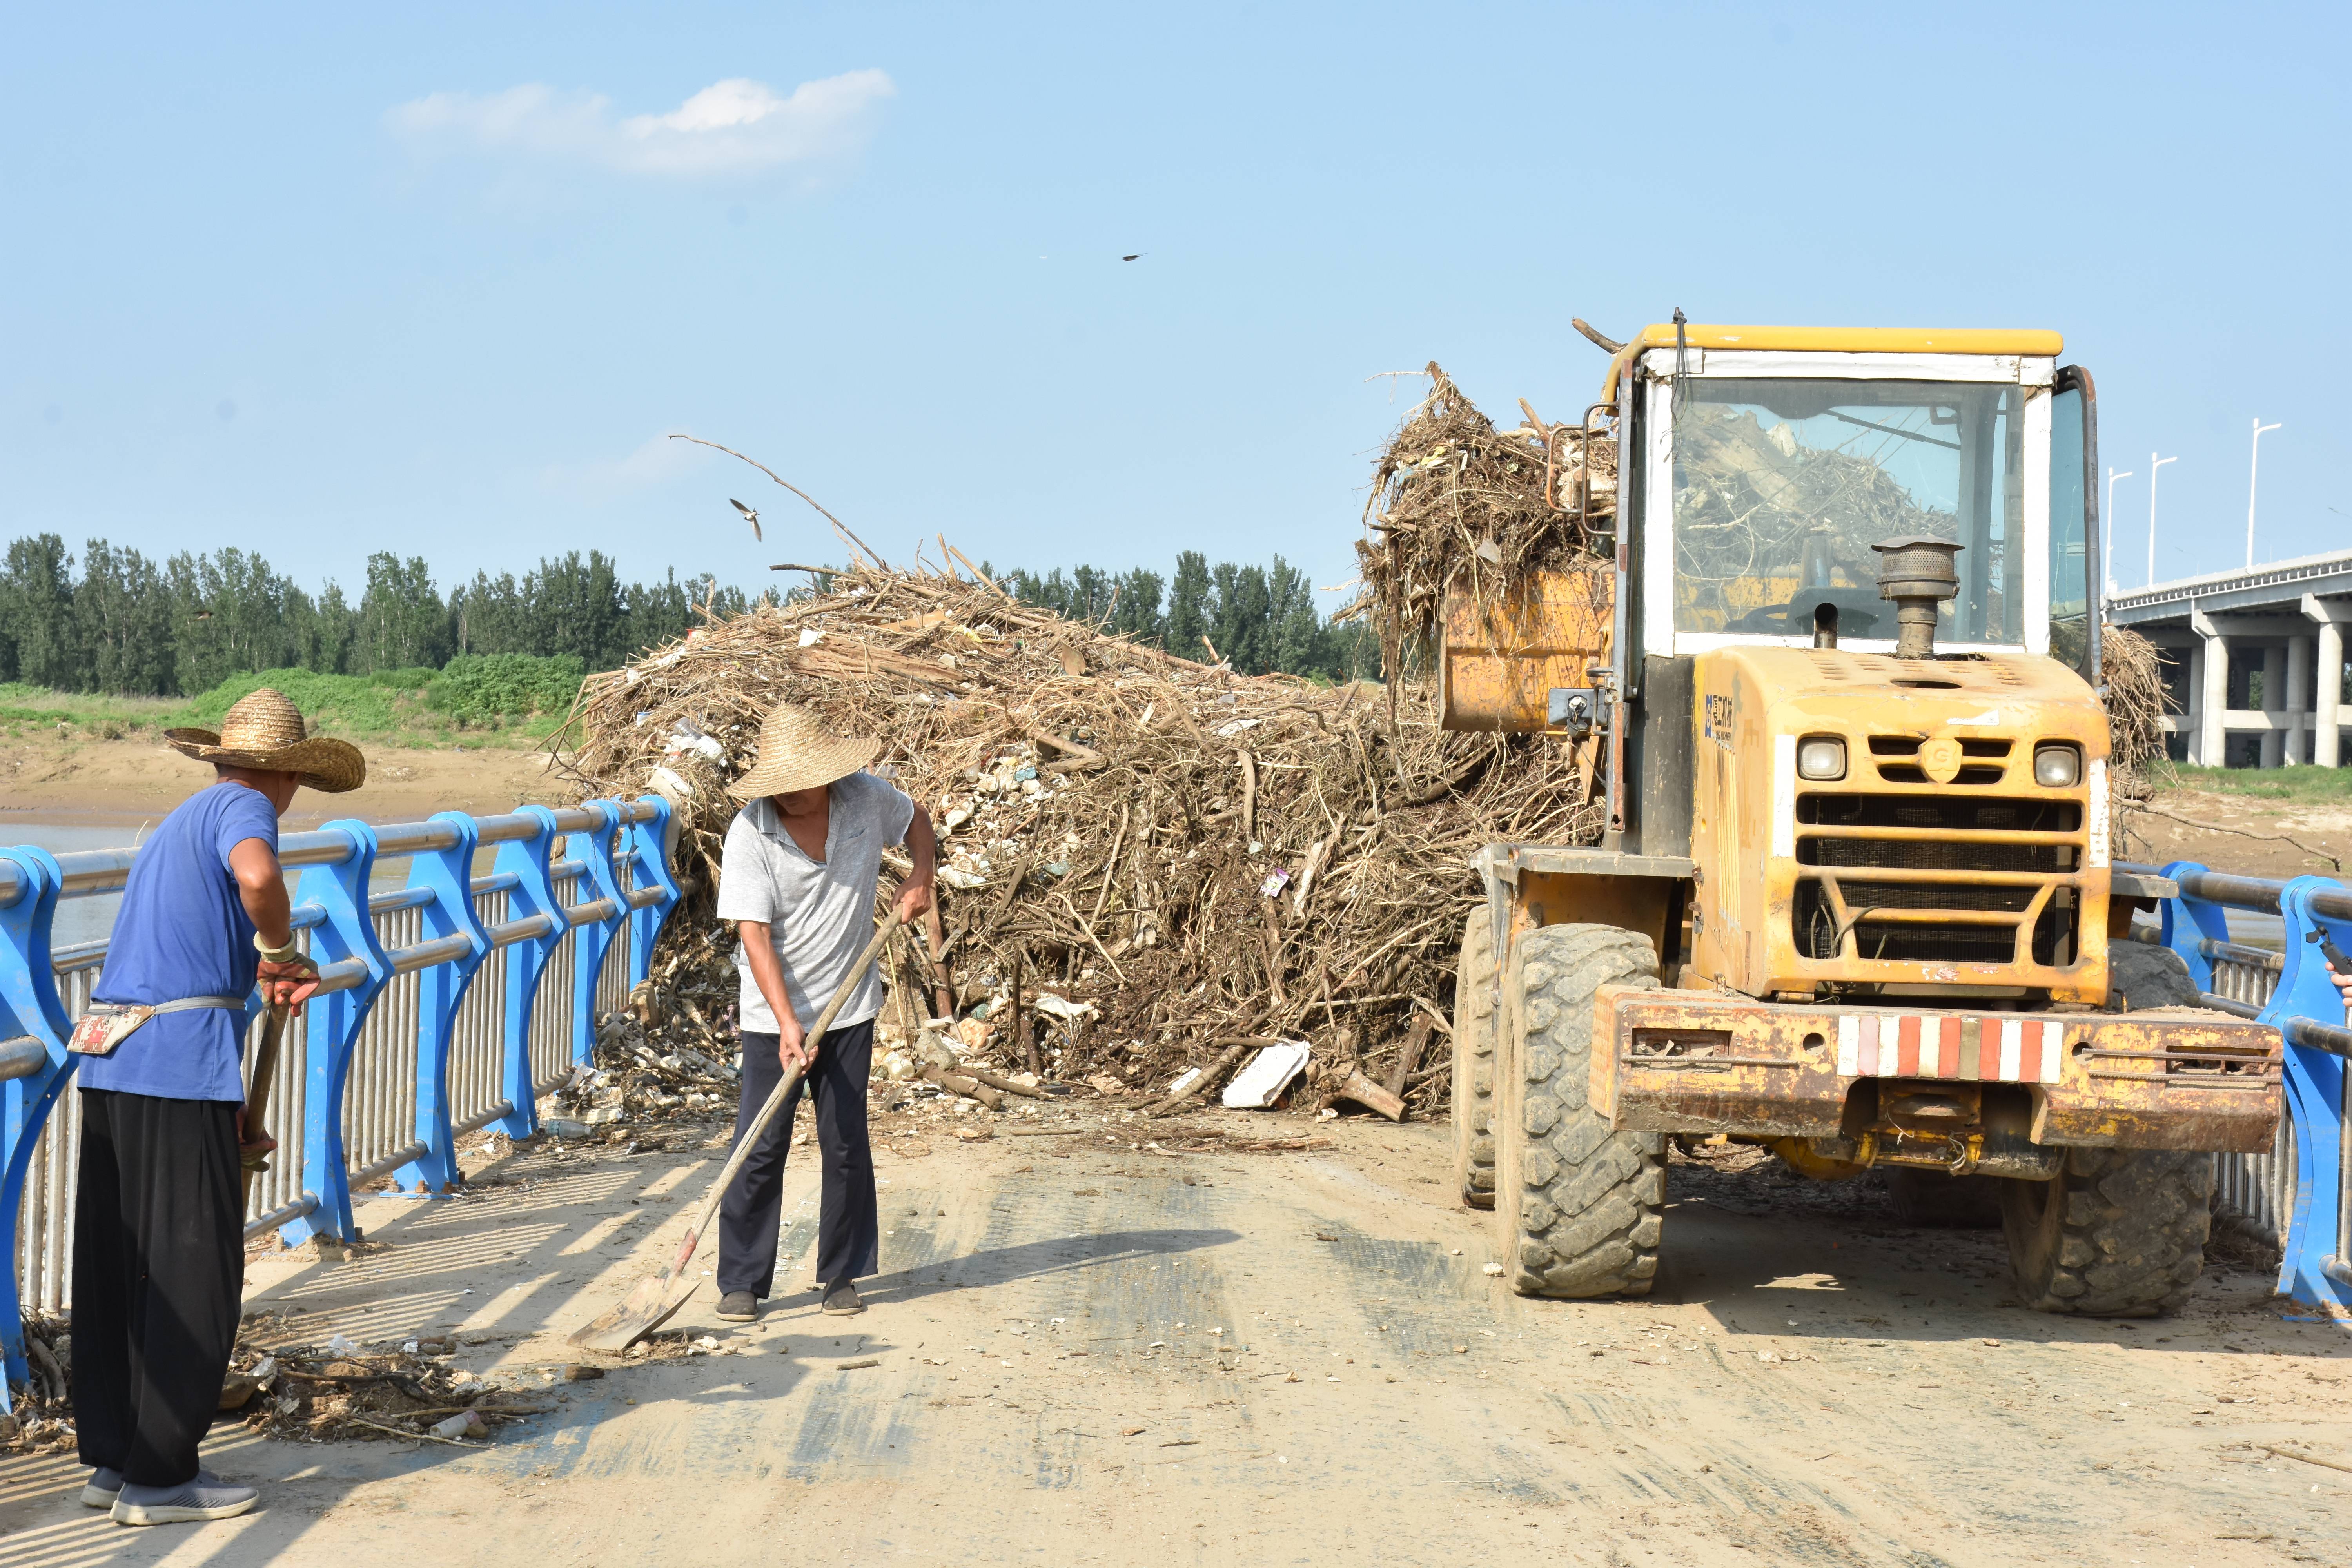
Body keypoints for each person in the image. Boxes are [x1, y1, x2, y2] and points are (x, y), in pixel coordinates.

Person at [73, 689, 363, 1526]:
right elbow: (258, 877)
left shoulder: (180, 818)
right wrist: (280, 947)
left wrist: (229, 1099)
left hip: (116, 1057)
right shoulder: (243, 807)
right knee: (193, 1270)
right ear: (287, 775)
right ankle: (163, 1478)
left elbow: (191, 952)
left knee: (120, 1266)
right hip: (172, 1064)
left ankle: (117, 1459)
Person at [713, 701, 935, 1321]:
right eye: (775, 786)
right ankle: (742, 1281)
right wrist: (787, 1022)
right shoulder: (750, 831)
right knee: (760, 1147)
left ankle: (842, 1273)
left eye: (796, 784)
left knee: (844, 1143)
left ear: (828, 774)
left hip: (850, 1005)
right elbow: (752, 934)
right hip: (771, 1015)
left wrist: (922, 873)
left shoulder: (865, 799)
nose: (785, 796)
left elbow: (918, 817)